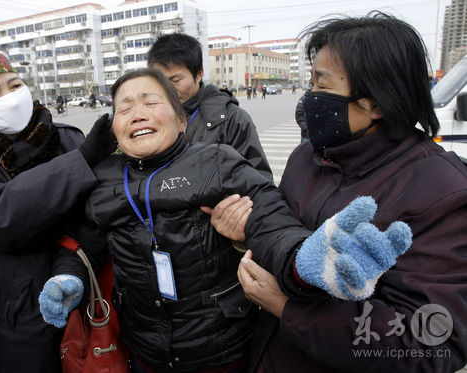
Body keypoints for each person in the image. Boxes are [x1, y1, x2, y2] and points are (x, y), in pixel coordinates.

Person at [37, 68, 411, 373]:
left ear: (182, 122)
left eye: (151, 102)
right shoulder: (102, 178)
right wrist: (67, 275)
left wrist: (304, 259)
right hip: (143, 349)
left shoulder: (216, 161)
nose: (137, 112)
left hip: (221, 350)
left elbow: (267, 215)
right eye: (124, 108)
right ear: (114, 128)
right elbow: (83, 239)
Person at [209, 12, 467, 372]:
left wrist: (289, 309)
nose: (309, 96)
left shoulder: (444, 192)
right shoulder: (309, 156)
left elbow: (431, 343)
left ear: (376, 103)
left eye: (322, 86)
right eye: (310, 81)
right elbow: (285, 235)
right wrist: (245, 234)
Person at [0, 48, 116, 373]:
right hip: (21, 313)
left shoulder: (66, 138)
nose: (11, 96)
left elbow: (99, 210)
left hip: (90, 295)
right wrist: (80, 163)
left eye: (15, 84)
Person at [147, 33, 273, 182]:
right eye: (160, 81)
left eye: (176, 80)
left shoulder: (232, 118)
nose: (167, 89)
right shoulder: (147, 118)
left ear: (199, 74)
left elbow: (259, 179)